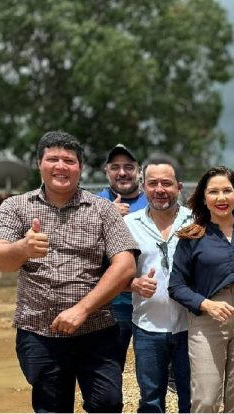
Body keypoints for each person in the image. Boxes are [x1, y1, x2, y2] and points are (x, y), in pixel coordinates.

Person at [0, 131, 139, 412]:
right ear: (39, 164)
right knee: (51, 407)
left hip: (96, 329)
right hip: (38, 331)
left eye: (69, 160)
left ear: (80, 167)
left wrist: (82, 310)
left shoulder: (103, 210)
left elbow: (125, 265)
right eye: (53, 159)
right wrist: (22, 248)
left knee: (108, 403)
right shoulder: (15, 207)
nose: (61, 166)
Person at [168, 166, 234, 413]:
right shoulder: (192, 236)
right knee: (206, 399)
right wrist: (205, 304)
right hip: (208, 318)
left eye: (227, 191)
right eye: (213, 192)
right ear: (203, 198)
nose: (221, 198)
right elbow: (176, 285)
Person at [124, 155, 192, 413]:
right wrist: (134, 284)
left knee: (192, 397)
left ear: (179, 187)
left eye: (167, 183)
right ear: (143, 187)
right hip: (147, 326)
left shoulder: (196, 222)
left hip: (191, 327)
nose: (159, 189)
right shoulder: (128, 225)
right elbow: (110, 273)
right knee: (151, 399)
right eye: (153, 183)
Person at [96, 143, 148, 371]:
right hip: (111, 302)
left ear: (139, 171)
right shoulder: (95, 203)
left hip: (149, 300)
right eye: (115, 167)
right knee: (108, 367)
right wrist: (108, 214)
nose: (122, 172)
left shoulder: (153, 201)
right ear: (106, 171)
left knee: (152, 367)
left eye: (128, 167)